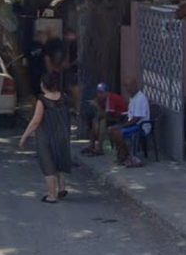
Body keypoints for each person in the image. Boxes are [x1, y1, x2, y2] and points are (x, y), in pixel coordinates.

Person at [19, 72, 72, 203]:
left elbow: (36, 121)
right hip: (62, 135)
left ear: (43, 85)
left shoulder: (42, 100)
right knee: (59, 161)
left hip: (46, 136)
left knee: (48, 164)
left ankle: (52, 195)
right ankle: (62, 188)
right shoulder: (65, 97)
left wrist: (24, 136)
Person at [108, 77, 150, 168]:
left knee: (118, 132)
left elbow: (136, 119)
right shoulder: (133, 97)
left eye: (129, 86)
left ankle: (127, 156)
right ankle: (123, 155)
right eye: (126, 86)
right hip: (133, 124)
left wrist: (122, 126)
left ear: (135, 85)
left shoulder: (140, 98)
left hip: (141, 126)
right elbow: (130, 115)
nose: (128, 89)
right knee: (111, 130)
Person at [81, 83, 126, 156]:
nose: (99, 95)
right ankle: (92, 146)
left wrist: (97, 106)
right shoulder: (102, 99)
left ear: (107, 92)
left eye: (101, 92)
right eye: (98, 92)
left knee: (103, 122)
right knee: (94, 120)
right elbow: (101, 114)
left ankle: (100, 148)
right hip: (112, 117)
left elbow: (106, 115)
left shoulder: (111, 98)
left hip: (120, 118)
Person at [62, 28, 80, 112]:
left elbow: (78, 58)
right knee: (71, 87)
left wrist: (70, 64)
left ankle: (77, 107)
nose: (66, 38)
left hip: (74, 69)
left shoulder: (75, 44)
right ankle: (75, 106)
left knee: (74, 88)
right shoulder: (72, 44)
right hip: (72, 69)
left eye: (66, 36)